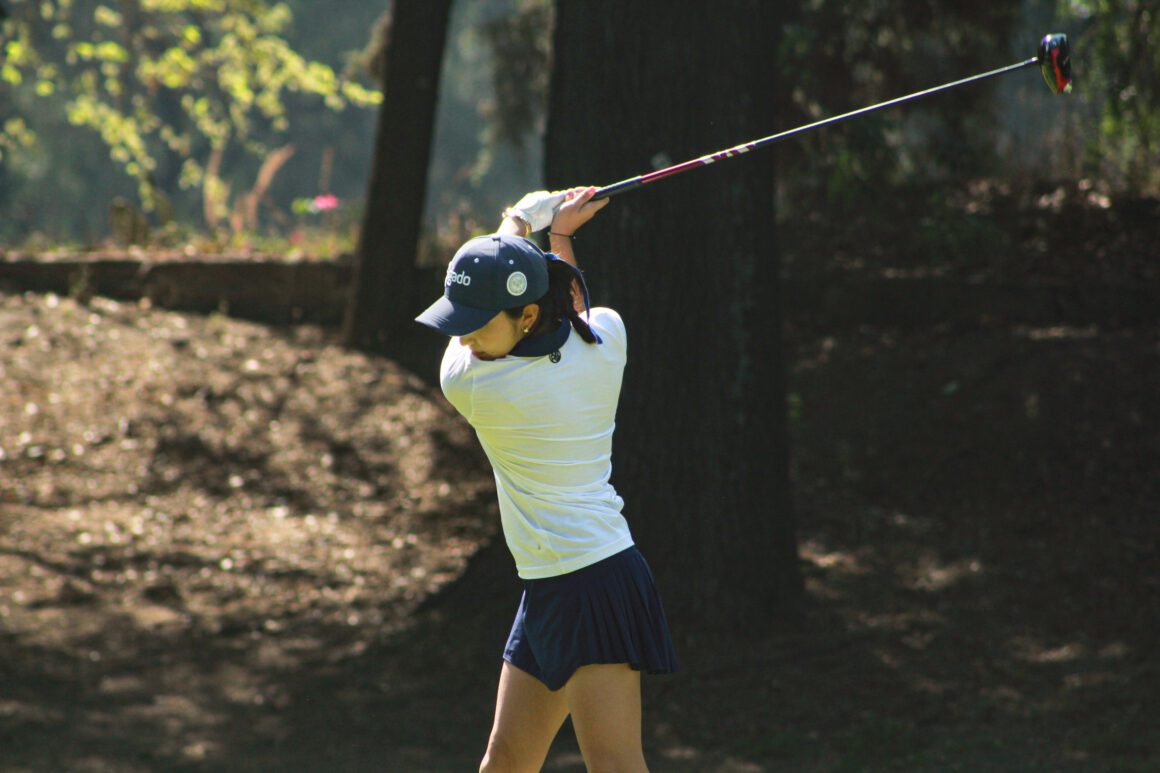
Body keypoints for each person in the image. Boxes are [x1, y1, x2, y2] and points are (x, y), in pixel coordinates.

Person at [415, 187, 677, 772]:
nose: (465, 338)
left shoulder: (474, 385)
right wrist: (556, 236)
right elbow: (578, 312)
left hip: (593, 581)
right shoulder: (607, 340)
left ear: (528, 316)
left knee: (615, 764)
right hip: (553, 583)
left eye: (477, 325)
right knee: (506, 759)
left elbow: (564, 301)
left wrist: (523, 219)